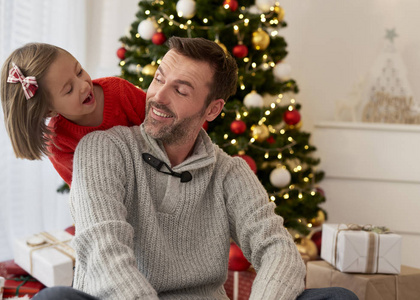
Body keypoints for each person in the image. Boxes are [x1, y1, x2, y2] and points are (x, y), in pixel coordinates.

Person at [34, 37, 358, 300]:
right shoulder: (103, 148)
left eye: (180, 90)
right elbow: (104, 249)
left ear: (213, 109)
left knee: (337, 298)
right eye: (159, 79)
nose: (158, 96)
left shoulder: (229, 172)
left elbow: (277, 248)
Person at [1, 43, 146, 186]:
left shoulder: (119, 90)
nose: (84, 85)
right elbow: (87, 193)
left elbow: (161, 125)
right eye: (69, 90)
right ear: (49, 111)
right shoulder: (59, 145)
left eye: (79, 72)